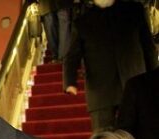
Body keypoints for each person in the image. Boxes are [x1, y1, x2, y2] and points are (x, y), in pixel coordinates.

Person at [63, 0, 158, 131]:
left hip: (135, 82)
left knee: (139, 135)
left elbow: (148, 47)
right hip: (100, 91)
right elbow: (72, 55)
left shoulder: (134, 10)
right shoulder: (83, 21)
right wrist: (70, 81)